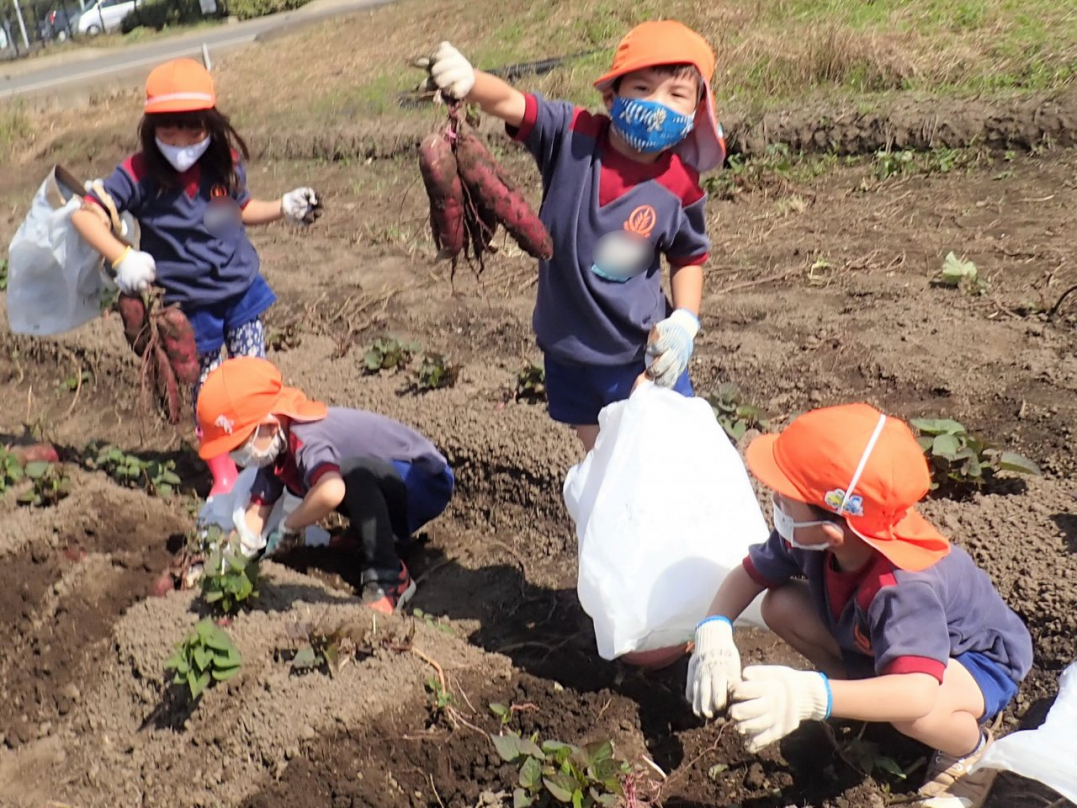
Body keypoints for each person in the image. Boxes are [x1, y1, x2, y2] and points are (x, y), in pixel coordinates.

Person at [684, 403, 1033, 808]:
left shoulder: (901, 587)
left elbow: (918, 693)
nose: (775, 501)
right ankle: (861, 697)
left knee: (915, 714)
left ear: (832, 531)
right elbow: (751, 573)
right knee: (779, 605)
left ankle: (969, 750)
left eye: (785, 497)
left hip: (974, 660)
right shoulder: (811, 537)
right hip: (896, 645)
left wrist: (812, 695)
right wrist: (714, 630)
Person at [422, 20, 726, 451]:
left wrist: (685, 322)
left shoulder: (681, 185)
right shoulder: (571, 135)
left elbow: (688, 257)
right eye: (642, 88)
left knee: (665, 455)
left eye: (676, 95)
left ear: (696, 112)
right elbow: (512, 102)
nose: (658, 106)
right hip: (567, 352)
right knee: (600, 457)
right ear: (611, 96)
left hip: (638, 353)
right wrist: (470, 82)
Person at [71, 57, 322, 497]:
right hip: (188, 306)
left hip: (240, 291)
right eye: (169, 129)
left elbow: (241, 209)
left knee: (254, 376)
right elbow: (85, 216)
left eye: (193, 129)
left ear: (211, 123)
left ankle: (267, 459)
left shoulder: (222, 160)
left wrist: (283, 207)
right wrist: (121, 256)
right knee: (207, 391)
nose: (182, 141)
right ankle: (224, 473)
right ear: (151, 128)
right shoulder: (137, 173)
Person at [195, 357, 454, 614]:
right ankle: (366, 537)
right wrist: (230, 559)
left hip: (421, 483)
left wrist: (290, 525)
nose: (237, 457)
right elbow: (256, 512)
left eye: (239, 446)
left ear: (270, 427)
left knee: (346, 474)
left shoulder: (308, 439)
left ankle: (390, 575)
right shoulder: (276, 451)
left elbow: (332, 492)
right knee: (335, 477)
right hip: (387, 484)